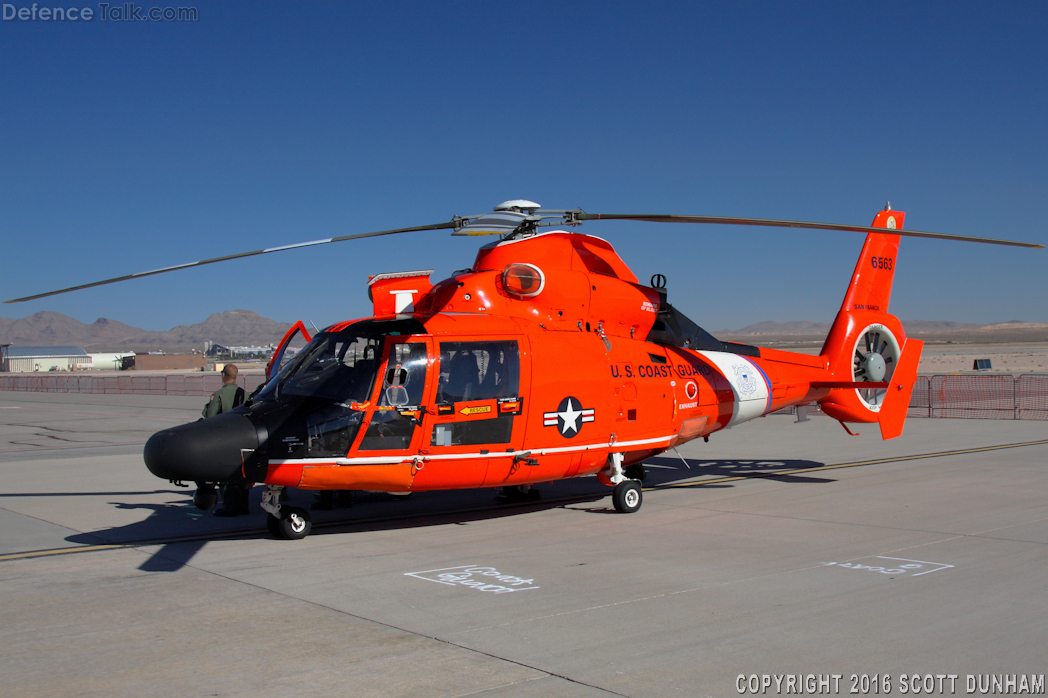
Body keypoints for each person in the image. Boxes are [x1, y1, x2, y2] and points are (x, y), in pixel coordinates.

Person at [202, 364, 250, 517]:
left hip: (225, 440)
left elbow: (209, 417)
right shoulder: (245, 395)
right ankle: (243, 506)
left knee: (226, 476)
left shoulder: (219, 395)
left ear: (223, 375)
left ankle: (230, 507)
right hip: (244, 439)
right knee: (243, 473)